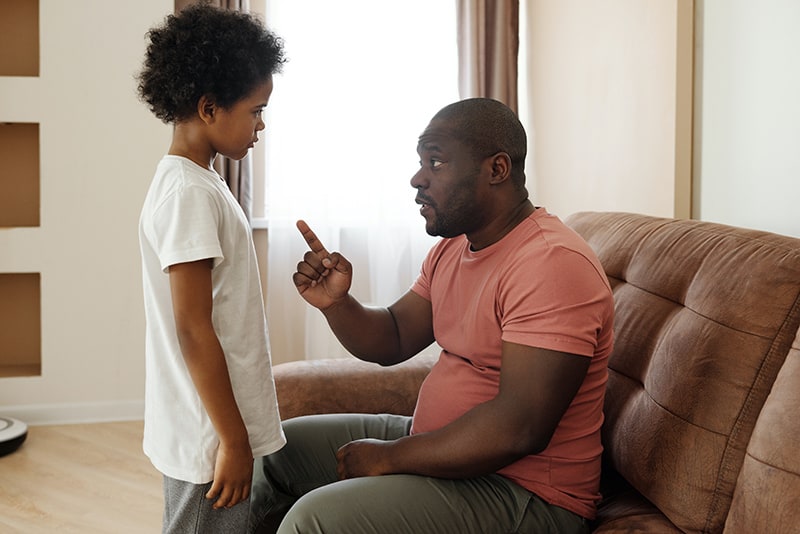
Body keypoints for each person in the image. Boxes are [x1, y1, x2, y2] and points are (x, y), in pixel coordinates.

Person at [250, 97, 615, 534]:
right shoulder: (454, 246)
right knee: (274, 452)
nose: (417, 178)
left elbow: (520, 427)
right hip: (442, 450)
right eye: (421, 161)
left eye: (436, 162)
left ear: (496, 169)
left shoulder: (551, 264)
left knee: (317, 521)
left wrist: (388, 456)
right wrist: (337, 304)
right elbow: (395, 337)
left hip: (525, 493)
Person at [136, 4, 287, 533]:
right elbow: (193, 327)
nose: (261, 125)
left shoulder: (202, 182)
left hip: (212, 424)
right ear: (207, 108)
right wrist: (233, 440)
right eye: (255, 110)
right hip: (208, 433)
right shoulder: (187, 195)